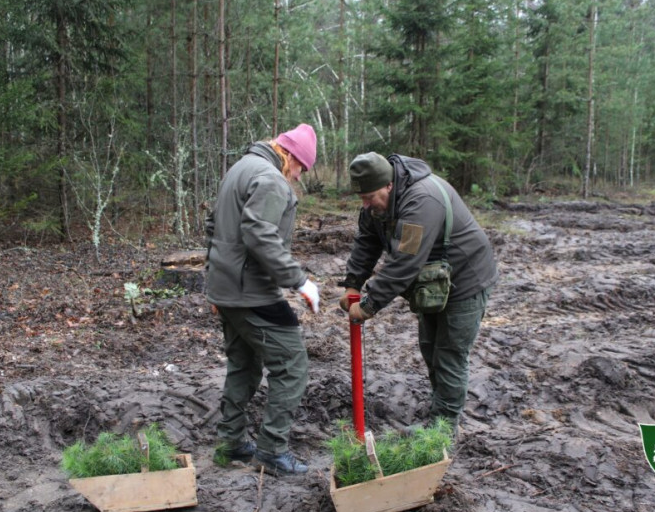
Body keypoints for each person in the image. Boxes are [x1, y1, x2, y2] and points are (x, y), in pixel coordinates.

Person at [339, 152, 498, 434]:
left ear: (389, 185)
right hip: (434, 282)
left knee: (449, 354)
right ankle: (440, 410)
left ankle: (443, 431)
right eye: (361, 197)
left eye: (370, 196)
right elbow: (367, 242)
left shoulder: (421, 200)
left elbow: (405, 260)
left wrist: (369, 304)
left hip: (467, 278)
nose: (365, 204)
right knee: (430, 348)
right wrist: (353, 282)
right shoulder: (376, 205)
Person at [206, 123, 320, 475]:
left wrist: (213, 284)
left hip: (228, 289)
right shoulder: (270, 179)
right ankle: (271, 450)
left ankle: (231, 443)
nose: (298, 177)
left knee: (244, 364)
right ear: (289, 156)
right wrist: (299, 280)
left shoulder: (239, 168)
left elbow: (213, 227)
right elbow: (260, 234)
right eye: (301, 168)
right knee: (292, 365)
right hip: (252, 292)